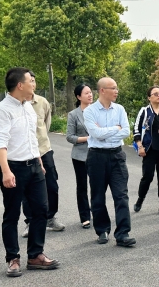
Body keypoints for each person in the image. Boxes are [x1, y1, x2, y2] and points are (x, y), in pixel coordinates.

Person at [0, 67, 59, 277]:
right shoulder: (2, 110)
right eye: (31, 81)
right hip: (14, 168)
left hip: (35, 166)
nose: (34, 84)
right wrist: (6, 171)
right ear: (20, 85)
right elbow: (0, 142)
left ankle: (35, 255)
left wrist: (39, 160)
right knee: (12, 214)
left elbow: (31, 138)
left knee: (41, 211)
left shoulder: (28, 106)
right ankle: (13, 258)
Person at [83, 77, 136, 247]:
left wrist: (106, 133)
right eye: (113, 88)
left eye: (116, 87)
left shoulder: (120, 109)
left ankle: (123, 233)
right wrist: (115, 129)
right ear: (102, 90)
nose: (116, 91)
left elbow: (126, 131)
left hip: (117, 155)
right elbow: (96, 134)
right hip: (97, 157)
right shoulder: (90, 111)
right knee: (98, 196)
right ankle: (102, 230)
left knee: (121, 195)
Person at [21, 72, 65, 238]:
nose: (32, 84)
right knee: (28, 189)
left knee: (52, 186)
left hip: (44, 150)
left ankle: (50, 218)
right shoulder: (17, 104)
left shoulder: (42, 102)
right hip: (26, 154)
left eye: (34, 81)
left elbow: (46, 125)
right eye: (29, 81)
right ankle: (30, 221)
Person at [133, 85, 159, 214]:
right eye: (155, 94)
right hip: (149, 149)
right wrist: (140, 146)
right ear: (149, 97)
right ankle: (140, 199)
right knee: (147, 177)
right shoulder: (145, 111)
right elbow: (136, 129)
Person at [66, 83, 93, 229]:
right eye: (86, 93)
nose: (90, 95)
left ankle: (97, 211)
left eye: (90, 92)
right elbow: (70, 137)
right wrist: (88, 138)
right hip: (80, 156)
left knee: (97, 185)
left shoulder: (98, 111)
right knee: (82, 186)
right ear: (78, 97)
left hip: (97, 154)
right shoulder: (73, 114)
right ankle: (85, 216)